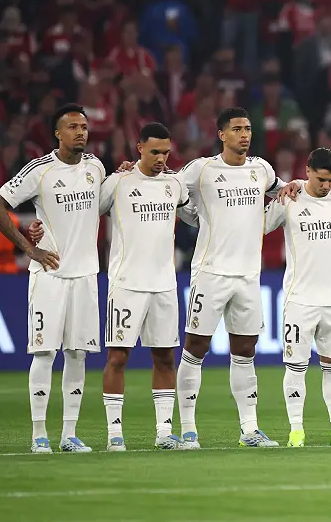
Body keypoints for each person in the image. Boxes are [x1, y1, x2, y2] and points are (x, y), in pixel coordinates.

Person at [0, 104, 106, 453]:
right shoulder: (40, 171)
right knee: (44, 353)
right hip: (50, 275)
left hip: (86, 275)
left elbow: (101, 206)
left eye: (84, 126)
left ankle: (69, 434)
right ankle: (39, 434)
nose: (80, 132)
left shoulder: (96, 168)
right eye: (72, 127)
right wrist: (30, 247)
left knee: (78, 354)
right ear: (58, 133)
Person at [174, 107, 287, 448]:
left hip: (248, 276)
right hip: (210, 273)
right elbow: (167, 189)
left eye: (248, 128)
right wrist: (191, 215)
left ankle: (250, 429)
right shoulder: (202, 169)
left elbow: (285, 190)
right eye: (237, 128)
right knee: (196, 347)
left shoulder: (261, 170)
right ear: (221, 134)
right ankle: (189, 429)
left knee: (245, 350)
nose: (244, 134)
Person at [265, 148, 331, 448]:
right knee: (296, 367)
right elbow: (256, 227)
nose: (326, 186)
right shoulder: (290, 199)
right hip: (300, 300)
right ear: (308, 171)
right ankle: (296, 431)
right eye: (321, 179)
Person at [97, 123, 192, 450]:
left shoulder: (175, 184)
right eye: (154, 152)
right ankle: (114, 435)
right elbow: (85, 216)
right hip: (126, 284)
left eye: (166, 152)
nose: (161, 158)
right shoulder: (117, 183)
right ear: (138, 148)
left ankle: (164, 434)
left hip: (165, 285)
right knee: (118, 358)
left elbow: (191, 204)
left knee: (166, 358)